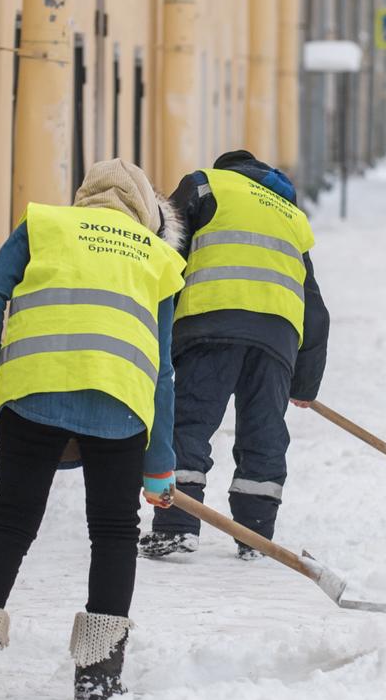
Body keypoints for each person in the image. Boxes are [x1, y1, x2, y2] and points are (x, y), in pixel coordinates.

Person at [0, 159, 186, 700]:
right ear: (147, 213)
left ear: (84, 199)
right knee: (115, 532)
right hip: (119, 401)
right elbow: (163, 369)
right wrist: (159, 463)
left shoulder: (45, 225)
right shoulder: (159, 257)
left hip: (33, 390)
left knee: (9, 523)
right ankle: (98, 673)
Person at [139, 150, 329, 560]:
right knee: (264, 432)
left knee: (188, 423)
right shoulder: (291, 214)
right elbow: (315, 308)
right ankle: (254, 534)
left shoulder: (204, 185)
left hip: (211, 323)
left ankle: (176, 526)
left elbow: (167, 253)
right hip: (277, 335)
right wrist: (304, 384)